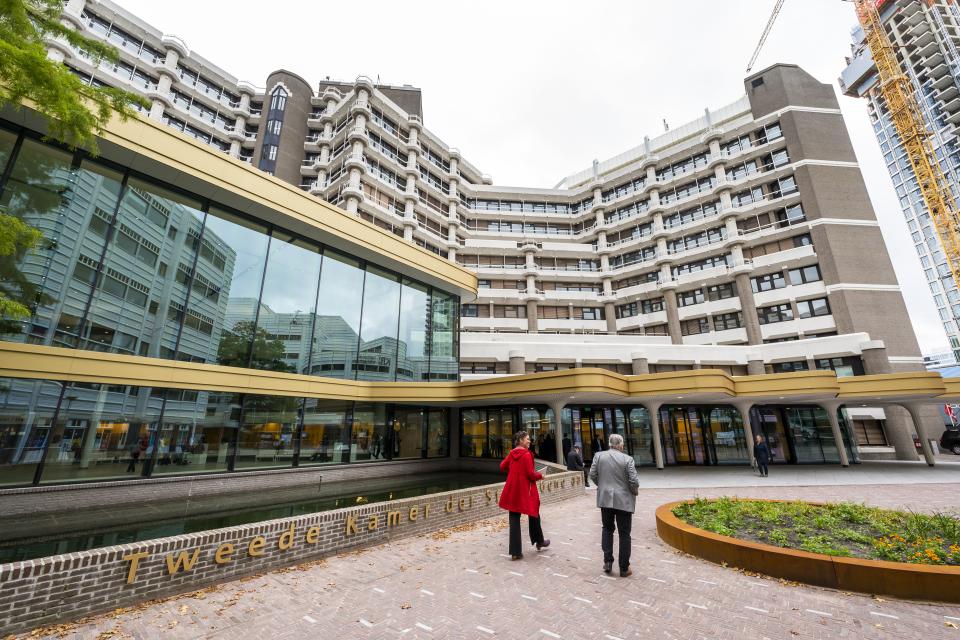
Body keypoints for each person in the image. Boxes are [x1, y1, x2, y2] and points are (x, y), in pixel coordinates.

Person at [589, 433, 639, 577]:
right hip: (623, 500)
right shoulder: (628, 459)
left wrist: (602, 485)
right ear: (621, 445)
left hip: (605, 499)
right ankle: (624, 568)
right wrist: (634, 491)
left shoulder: (598, 456)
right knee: (624, 534)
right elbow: (634, 480)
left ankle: (608, 561)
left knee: (607, 529)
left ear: (610, 444)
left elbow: (592, 474)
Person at [499, 430, 550, 560]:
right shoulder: (527, 455)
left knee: (514, 519)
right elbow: (531, 475)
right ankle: (539, 541)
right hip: (525, 491)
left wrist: (514, 471)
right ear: (521, 440)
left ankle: (515, 552)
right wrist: (541, 475)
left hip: (512, 490)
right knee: (534, 513)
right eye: (527, 439)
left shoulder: (512, 453)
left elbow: (502, 466)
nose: (529, 441)